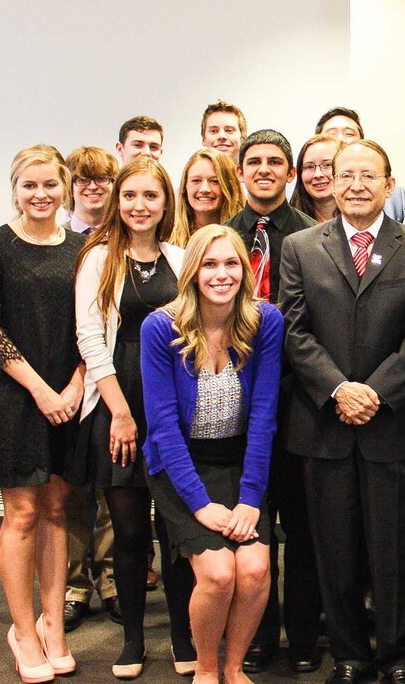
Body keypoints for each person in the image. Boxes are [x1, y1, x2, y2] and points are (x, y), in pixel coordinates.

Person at [280, 138, 405, 684]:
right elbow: (295, 331)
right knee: (335, 549)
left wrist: (372, 391)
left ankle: (398, 654)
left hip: (393, 423)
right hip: (323, 424)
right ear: (329, 179)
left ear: (389, 184)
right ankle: (350, 654)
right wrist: (337, 390)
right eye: (344, 174)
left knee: (396, 549)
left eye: (367, 176)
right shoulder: (302, 247)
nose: (354, 184)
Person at [140, 225, 284, 684]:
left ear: (246, 270)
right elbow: (162, 427)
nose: (222, 274)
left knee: (257, 568)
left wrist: (250, 498)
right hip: (182, 465)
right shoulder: (161, 327)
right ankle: (206, 668)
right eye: (210, 264)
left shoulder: (265, 321)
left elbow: (264, 417)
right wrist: (200, 504)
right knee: (220, 574)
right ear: (192, 272)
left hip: (242, 463)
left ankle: (235, 666)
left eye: (231, 264)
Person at [0, 145, 86, 682]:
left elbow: (95, 327)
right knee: (21, 514)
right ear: (15, 188)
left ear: (66, 189)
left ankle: (53, 624)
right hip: (14, 397)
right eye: (29, 185)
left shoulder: (85, 248)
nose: (40, 195)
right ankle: (22, 631)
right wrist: (43, 391)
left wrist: (76, 386)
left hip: (70, 395)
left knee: (58, 509)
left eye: (50, 185)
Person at [73, 157, 191, 678]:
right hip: (118, 404)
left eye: (150, 196)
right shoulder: (98, 258)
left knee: (177, 529)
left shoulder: (182, 257)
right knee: (128, 531)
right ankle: (134, 641)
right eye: (130, 196)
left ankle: (184, 636)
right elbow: (90, 339)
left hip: (173, 408)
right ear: (117, 202)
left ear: (166, 202)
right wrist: (120, 412)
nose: (139, 206)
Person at [225, 129, 321, 674]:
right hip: (236, 406)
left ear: (290, 173)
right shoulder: (220, 238)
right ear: (240, 172)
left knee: (304, 529)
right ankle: (258, 633)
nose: (264, 169)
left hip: (298, 402)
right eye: (254, 161)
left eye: (275, 162)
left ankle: (304, 635)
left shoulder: (313, 237)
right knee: (252, 525)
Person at [61, 146, 121, 631]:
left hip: (102, 377)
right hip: (57, 382)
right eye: (83, 180)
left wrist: (90, 375)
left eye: (103, 180)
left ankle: (113, 580)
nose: (93, 187)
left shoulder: (122, 242)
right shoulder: (59, 239)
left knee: (110, 489)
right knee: (72, 490)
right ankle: (75, 584)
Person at [314, 106, 405, 222]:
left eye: (349, 134)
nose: (340, 139)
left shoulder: (395, 196)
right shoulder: (305, 187)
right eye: (331, 134)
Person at [170, 148, 246, 247]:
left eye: (214, 181)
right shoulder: (167, 241)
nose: (204, 189)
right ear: (185, 187)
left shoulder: (247, 238)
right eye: (196, 180)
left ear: (230, 187)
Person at [291, 134, 341, 222]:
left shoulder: (361, 220)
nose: (317, 175)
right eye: (309, 167)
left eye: (327, 165)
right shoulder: (290, 223)